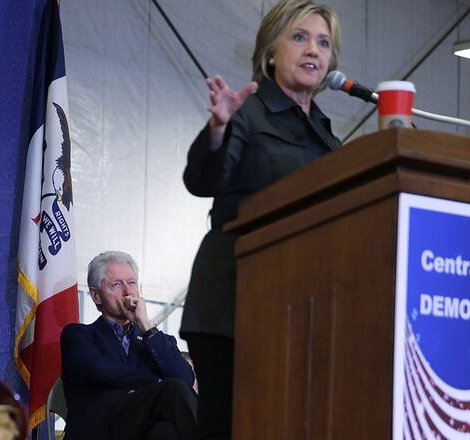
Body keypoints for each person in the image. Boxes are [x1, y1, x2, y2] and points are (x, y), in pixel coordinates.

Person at [179, 1, 342, 438]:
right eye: (300, 37)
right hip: (232, 303)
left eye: (324, 43)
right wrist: (217, 131)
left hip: (300, 307)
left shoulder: (329, 138)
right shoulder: (244, 114)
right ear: (271, 51)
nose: (314, 50)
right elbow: (202, 179)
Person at [61, 251, 197, 440]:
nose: (127, 291)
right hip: (99, 429)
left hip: (144, 430)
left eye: (131, 283)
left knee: (166, 432)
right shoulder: (78, 335)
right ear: (95, 295)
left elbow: (186, 379)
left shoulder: (156, 340)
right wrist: (159, 384)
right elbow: (101, 370)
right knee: (172, 389)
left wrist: (146, 325)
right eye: (116, 284)